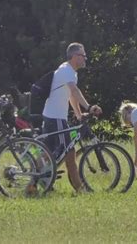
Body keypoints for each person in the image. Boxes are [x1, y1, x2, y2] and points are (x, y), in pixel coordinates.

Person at [39, 42, 102, 193]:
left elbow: (71, 96)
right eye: (83, 55)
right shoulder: (67, 70)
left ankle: (35, 182)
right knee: (68, 152)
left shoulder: (70, 71)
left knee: (49, 153)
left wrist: (79, 114)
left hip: (52, 116)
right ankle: (79, 188)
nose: (85, 58)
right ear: (74, 57)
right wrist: (88, 107)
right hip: (56, 118)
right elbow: (74, 90)